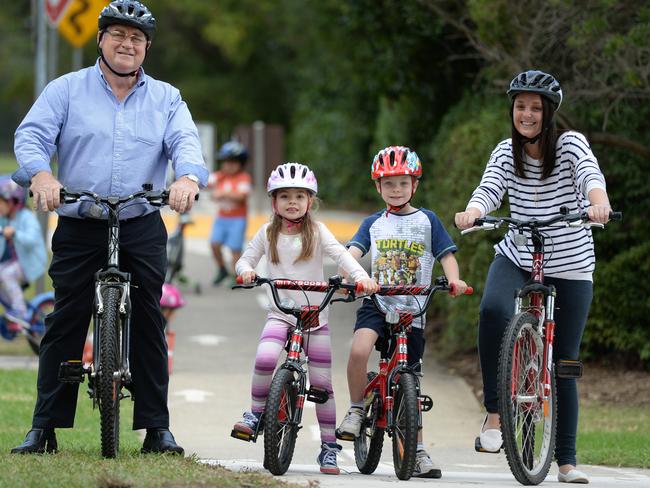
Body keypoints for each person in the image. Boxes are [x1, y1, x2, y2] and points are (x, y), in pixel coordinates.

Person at [10, 0, 207, 455]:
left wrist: (187, 178)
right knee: (65, 320)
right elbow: (32, 135)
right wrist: (41, 175)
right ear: (100, 40)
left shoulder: (166, 98)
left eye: (136, 38)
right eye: (118, 34)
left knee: (150, 320)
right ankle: (44, 429)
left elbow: (185, 141)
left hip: (141, 220)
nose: (127, 44)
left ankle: (157, 430)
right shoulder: (66, 90)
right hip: (81, 221)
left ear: (147, 48)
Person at [454, 70, 612, 484]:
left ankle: (566, 461)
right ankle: (494, 413)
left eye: (535, 108)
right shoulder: (506, 152)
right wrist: (473, 212)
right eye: (520, 106)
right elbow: (489, 189)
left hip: (572, 263)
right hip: (519, 252)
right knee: (492, 311)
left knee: (564, 362)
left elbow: (591, 179)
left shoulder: (571, 144)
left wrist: (599, 204)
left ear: (549, 113)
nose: (526, 114)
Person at [232, 162, 378, 475]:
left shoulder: (318, 231)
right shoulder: (267, 232)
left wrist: (362, 278)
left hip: (315, 320)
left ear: (310, 201)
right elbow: (246, 259)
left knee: (322, 385)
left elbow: (342, 257)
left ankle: (328, 447)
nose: (293, 202)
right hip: (281, 315)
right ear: (273, 202)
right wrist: (245, 272)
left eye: (300, 195)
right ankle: (255, 414)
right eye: (285, 196)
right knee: (264, 359)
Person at [335, 146, 468, 479]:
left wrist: (454, 280)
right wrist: (346, 276)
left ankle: (418, 451)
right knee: (359, 350)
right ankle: (355, 409)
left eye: (403, 183)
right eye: (389, 184)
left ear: (415, 185)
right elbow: (353, 253)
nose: (396, 190)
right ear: (378, 187)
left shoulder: (428, 221)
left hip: (414, 309)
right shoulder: (373, 223)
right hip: (377, 303)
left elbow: (446, 255)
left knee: (411, 382)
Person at [0, 177, 47, 332]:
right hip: (13, 262)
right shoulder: (4, 219)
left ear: (13, 201)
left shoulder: (26, 217)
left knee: (6, 274)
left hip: (29, 263)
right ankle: (12, 309)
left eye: (1, 202)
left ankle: (20, 312)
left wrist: (15, 233)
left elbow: (32, 240)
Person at [207, 141, 252, 285]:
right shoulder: (219, 176)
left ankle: (235, 275)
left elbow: (242, 196)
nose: (228, 165)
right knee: (214, 244)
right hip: (221, 218)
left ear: (241, 163)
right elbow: (206, 183)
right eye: (226, 162)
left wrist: (223, 193)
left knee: (235, 249)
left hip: (237, 219)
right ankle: (222, 269)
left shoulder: (243, 178)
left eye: (233, 162)